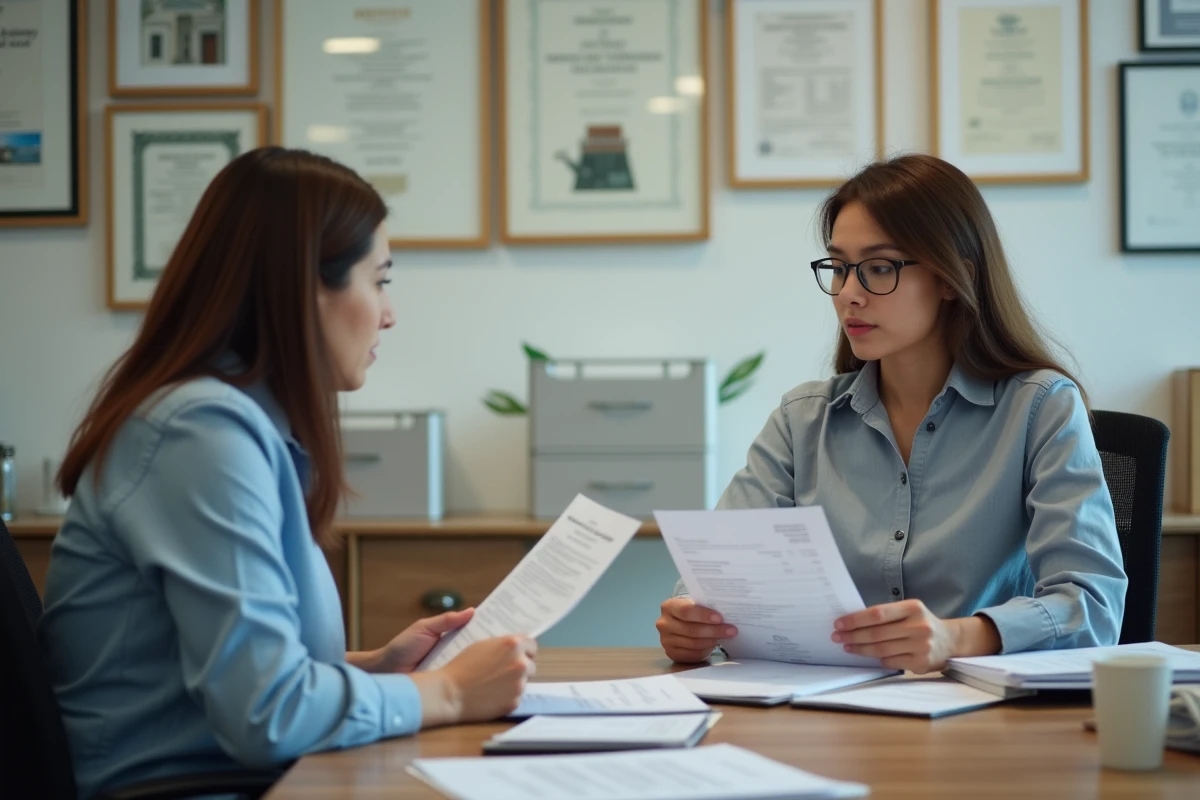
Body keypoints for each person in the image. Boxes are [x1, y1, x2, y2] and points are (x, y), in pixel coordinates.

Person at [39, 148, 536, 798]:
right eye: (379, 280)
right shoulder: (200, 432)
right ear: (304, 288)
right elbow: (264, 714)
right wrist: (444, 691)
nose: (389, 313)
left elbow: (227, 675)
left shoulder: (228, 423)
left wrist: (378, 668)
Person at [656, 154, 1126, 672]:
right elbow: (720, 577)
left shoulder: (1040, 407)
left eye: (879, 268)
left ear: (953, 277)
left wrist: (957, 637)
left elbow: (1093, 605)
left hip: (983, 720)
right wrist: (692, 624)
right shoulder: (802, 419)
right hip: (829, 715)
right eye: (837, 268)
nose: (847, 294)